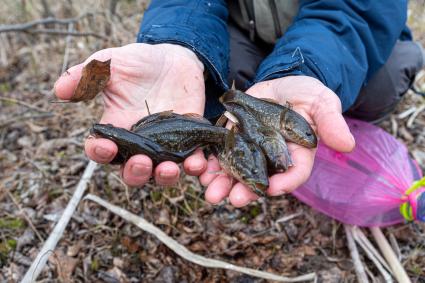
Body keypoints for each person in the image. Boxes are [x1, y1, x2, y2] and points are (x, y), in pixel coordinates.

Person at [54, 1, 424, 207]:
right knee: (211, 84)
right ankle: (233, 109)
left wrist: (309, 69)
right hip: (238, 32)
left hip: (332, 41)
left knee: (386, 77)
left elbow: (356, 10)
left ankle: (328, 110)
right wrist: (178, 44)